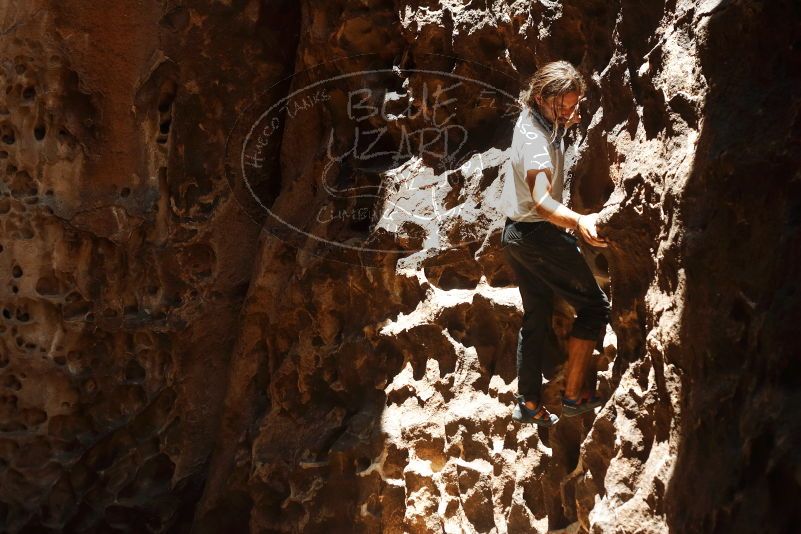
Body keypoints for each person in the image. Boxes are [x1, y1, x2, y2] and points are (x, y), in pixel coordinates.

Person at [500, 61, 611, 427]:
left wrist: (563, 122)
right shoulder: (535, 141)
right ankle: (574, 395)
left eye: (573, 105)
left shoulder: (536, 121)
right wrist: (579, 221)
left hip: (514, 234)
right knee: (594, 308)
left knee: (536, 315)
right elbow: (544, 204)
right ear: (540, 97)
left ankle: (528, 402)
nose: (569, 112)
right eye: (562, 106)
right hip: (537, 234)